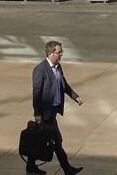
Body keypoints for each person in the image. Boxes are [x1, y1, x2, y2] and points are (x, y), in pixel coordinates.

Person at [28, 39, 83, 175]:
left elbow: (64, 85)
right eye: (59, 52)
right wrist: (37, 114)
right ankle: (67, 169)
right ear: (51, 53)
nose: (61, 55)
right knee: (55, 142)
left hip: (53, 112)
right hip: (45, 114)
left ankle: (31, 167)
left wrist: (76, 97)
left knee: (46, 140)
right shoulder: (40, 70)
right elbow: (36, 93)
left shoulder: (58, 67)